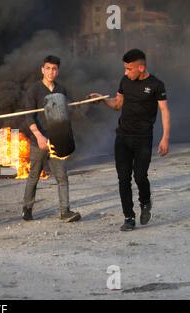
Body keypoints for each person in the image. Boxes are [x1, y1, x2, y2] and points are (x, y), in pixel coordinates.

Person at [90, 49, 171, 231]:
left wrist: (165, 138)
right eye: (125, 69)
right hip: (123, 137)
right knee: (123, 179)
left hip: (143, 138)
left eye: (129, 69)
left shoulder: (156, 85)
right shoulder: (125, 81)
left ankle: (145, 202)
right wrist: (102, 99)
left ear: (141, 68)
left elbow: (165, 112)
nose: (126, 72)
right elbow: (117, 104)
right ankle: (129, 217)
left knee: (140, 176)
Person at [22, 55, 81, 223]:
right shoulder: (34, 90)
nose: (51, 72)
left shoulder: (61, 91)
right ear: (42, 69)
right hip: (38, 142)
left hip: (57, 141)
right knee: (34, 175)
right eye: (47, 68)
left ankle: (65, 211)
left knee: (62, 176)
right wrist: (39, 137)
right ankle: (27, 208)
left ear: (58, 71)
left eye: (54, 69)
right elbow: (29, 117)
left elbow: (66, 116)